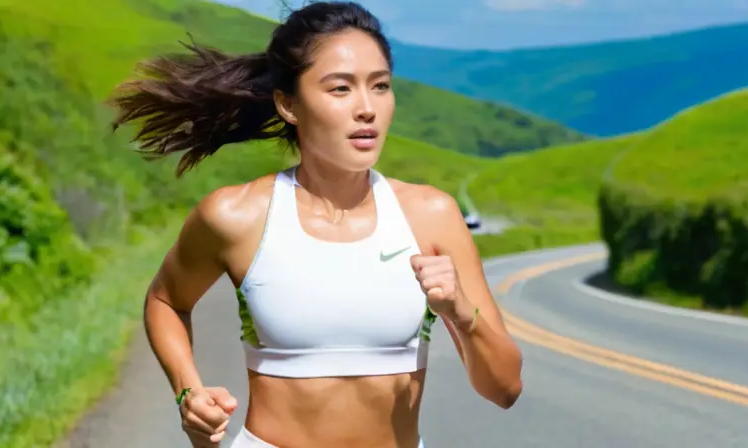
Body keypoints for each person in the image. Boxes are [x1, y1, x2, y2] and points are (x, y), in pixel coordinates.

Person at [107, 2, 523, 447]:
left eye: (380, 86)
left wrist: (463, 312)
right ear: (289, 104)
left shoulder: (430, 215)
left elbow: (504, 389)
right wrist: (188, 392)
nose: (367, 109)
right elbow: (166, 301)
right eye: (340, 89)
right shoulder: (237, 216)